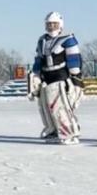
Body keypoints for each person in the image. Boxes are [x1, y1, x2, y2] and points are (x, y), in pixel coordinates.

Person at [28, 11, 84, 145]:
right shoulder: (42, 40)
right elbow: (38, 59)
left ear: (60, 25)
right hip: (46, 76)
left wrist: (75, 77)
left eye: (54, 24)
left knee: (59, 107)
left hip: (60, 75)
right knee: (45, 107)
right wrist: (35, 75)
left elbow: (74, 59)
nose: (51, 26)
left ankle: (69, 132)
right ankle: (52, 130)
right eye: (49, 24)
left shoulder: (67, 39)